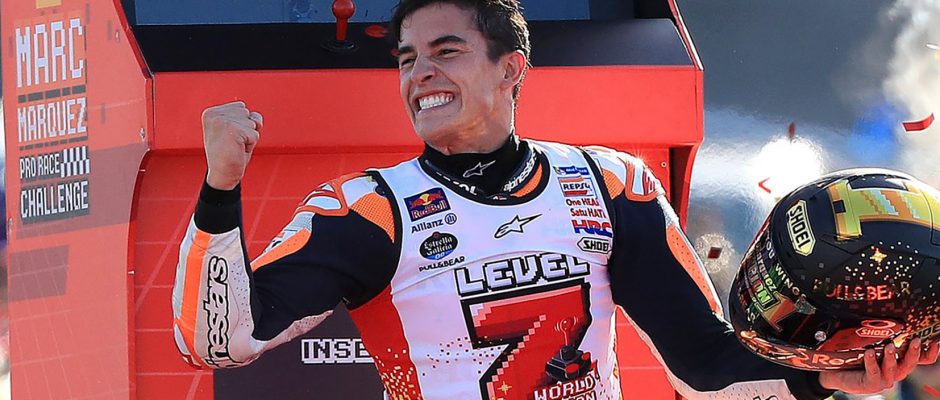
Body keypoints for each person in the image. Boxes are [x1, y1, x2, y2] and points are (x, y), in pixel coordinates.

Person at [171, 1, 938, 398]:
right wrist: (221, 189)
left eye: (446, 52)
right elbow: (218, 343)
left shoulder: (612, 185)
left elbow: (703, 368)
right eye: (407, 59)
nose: (420, 74)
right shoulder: (370, 209)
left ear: (511, 68)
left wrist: (820, 378)